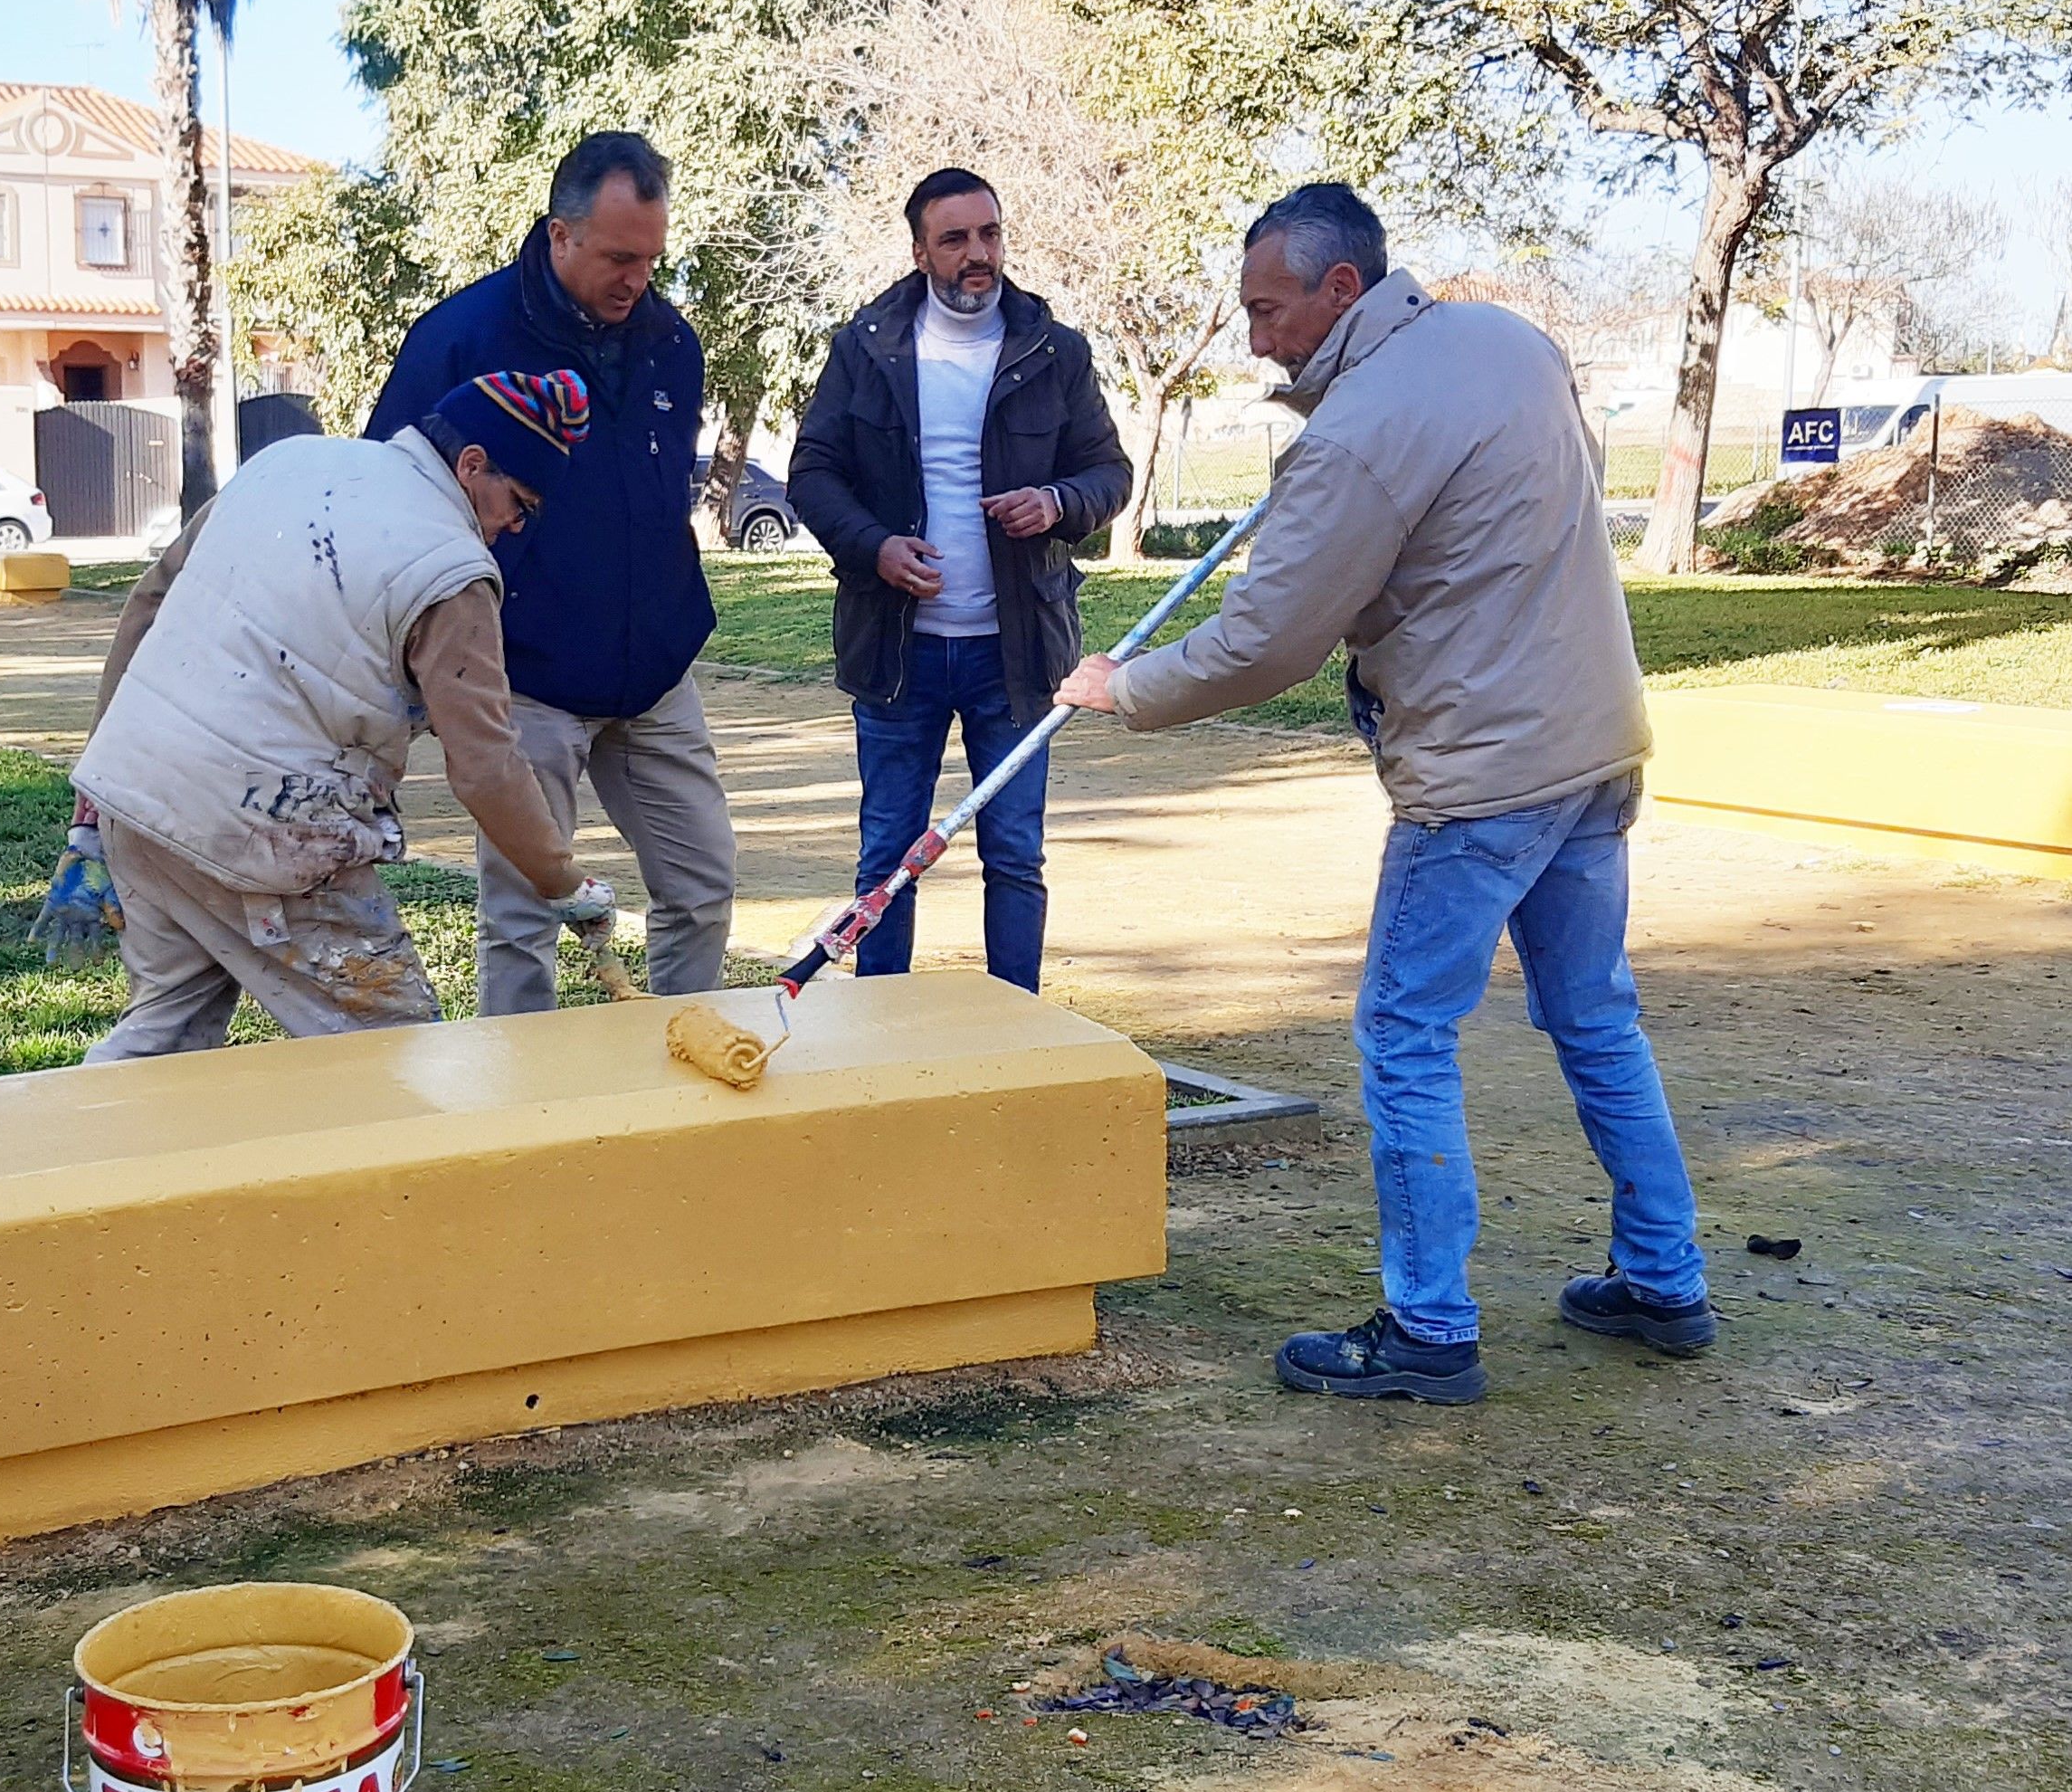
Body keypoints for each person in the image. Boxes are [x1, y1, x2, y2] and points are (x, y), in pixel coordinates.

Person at [1055, 183, 1710, 1404]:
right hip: (1592, 743)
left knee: (1402, 1033)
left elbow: (1265, 644)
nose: (1255, 338)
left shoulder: (1357, 432)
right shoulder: (1505, 341)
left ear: (1340, 288)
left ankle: (1427, 1328)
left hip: (1480, 774)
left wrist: (1121, 687)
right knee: (1593, 1016)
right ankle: (1664, 1278)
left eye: (1267, 310)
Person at [37, 370, 618, 1060]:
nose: (514, 526)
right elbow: (485, 767)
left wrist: (98, 788)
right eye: (518, 503)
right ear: (471, 464)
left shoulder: (287, 462)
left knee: (164, 1034)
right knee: (391, 1052)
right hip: (267, 836)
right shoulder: (450, 571)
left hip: (137, 801)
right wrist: (562, 883)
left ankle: (91, 1130)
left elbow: (148, 604)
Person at [364, 133, 735, 1015]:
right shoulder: (461, 338)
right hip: (523, 676)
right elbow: (387, 499)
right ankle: (519, 1090)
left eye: (650, 258)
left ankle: (689, 1064)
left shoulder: (669, 342)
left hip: (655, 671)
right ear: (559, 234)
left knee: (702, 885)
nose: (636, 279)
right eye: (617, 258)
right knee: (522, 917)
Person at [786, 168, 1131, 992]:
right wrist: (875, 547)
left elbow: (1108, 473)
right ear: (919, 252)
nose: (978, 255)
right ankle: (880, 1024)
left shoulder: (1055, 351)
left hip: (1017, 654)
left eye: (989, 234)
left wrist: (1056, 502)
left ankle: (1015, 1024)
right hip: (895, 653)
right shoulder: (865, 347)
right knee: (887, 855)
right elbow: (813, 473)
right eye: (954, 239)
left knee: (1014, 854)